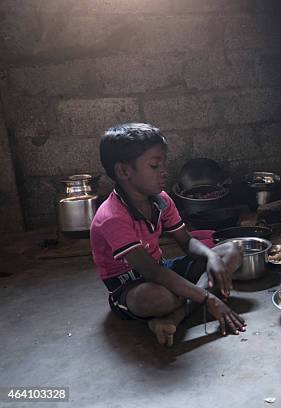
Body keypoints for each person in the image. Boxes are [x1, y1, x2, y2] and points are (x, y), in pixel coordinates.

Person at [90, 123, 246, 347]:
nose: (164, 170)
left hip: (163, 270)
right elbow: (151, 271)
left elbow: (187, 241)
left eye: (164, 162)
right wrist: (209, 297)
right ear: (124, 171)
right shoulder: (112, 217)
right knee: (161, 298)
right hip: (132, 288)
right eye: (155, 165)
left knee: (230, 251)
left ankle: (176, 315)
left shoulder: (161, 199)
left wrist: (211, 257)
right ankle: (187, 304)